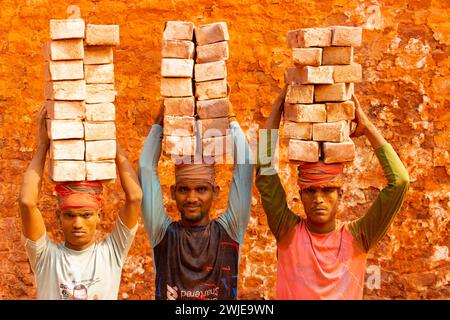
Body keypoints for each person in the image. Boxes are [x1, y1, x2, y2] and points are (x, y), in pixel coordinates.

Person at [255, 87, 410, 299]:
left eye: (328, 190)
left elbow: (400, 182)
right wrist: (280, 103)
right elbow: (264, 170)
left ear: (341, 195)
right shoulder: (287, 230)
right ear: (300, 195)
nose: (318, 199)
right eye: (310, 191)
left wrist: (367, 127)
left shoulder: (359, 237)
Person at [19, 106, 142, 300]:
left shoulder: (112, 252)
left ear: (98, 216)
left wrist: (112, 143)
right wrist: (42, 147)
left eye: (86, 215)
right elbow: (27, 202)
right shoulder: (46, 257)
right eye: (70, 215)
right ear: (59, 217)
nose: (78, 224)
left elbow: (135, 197)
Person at [139, 102, 253, 300]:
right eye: (184, 189)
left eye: (201, 189)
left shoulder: (230, 230)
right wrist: (160, 122)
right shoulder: (162, 233)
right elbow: (146, 168)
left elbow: (245, 165)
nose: (192, 198)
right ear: (173, 192)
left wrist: (230, 116)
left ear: (215, 192)